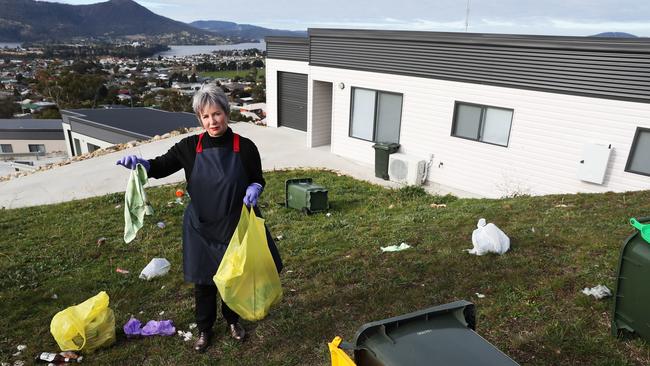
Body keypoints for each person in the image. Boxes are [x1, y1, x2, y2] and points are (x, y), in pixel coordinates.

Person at [116, 84, 282, 352]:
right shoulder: (190, 147)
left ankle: (232, 321)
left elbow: (257, 177)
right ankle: (204, 329)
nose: (211, 121)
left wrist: (256, 188)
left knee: (232, 277)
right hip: (200, 228)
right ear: (199, 119)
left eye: (216, 114)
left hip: (234, 225)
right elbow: (160, 166)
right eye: (205, 116)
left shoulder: (246, 147)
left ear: (226, 113)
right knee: (204, 282)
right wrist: (141, 164)